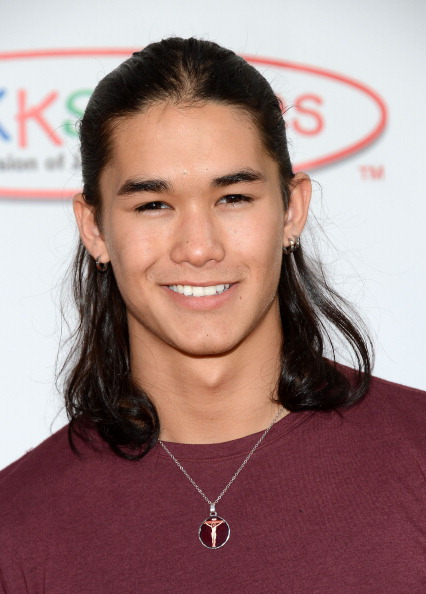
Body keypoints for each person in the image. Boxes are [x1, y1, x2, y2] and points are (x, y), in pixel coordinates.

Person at [0, 37, 425, 593]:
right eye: (153, 205)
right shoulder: (16, 527)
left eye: (233, 198)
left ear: (292, 210)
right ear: (94, 228)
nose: (198, 248)